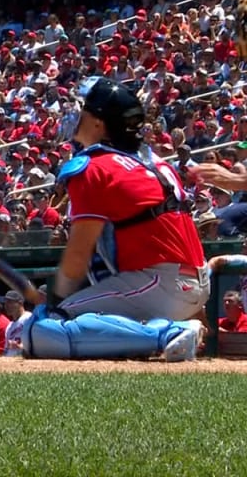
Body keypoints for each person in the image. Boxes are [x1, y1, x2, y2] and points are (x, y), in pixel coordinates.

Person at [24, 77, 206, 361]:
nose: (76, 114)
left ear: (98, 123)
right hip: (190, 281)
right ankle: (168, 329)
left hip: (158, 283)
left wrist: (57, 303)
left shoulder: (95, 168)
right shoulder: (155, 162)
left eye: (83, 108)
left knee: (44, 330)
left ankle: (166, 334)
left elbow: (77, 258)